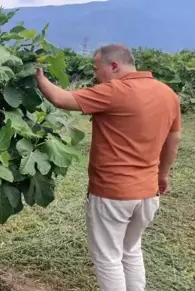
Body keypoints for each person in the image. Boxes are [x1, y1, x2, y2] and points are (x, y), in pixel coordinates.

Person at [34, 44, 181, 291]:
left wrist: (37, 75)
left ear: (114, 66)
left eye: (96, 69)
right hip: (148, 193)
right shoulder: (167, 93)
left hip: (113, 193)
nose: (95, 76)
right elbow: (174, 139)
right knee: (131, 250)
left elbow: (60, 98)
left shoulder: (115, 90)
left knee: (108, 259)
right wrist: (162, 176)